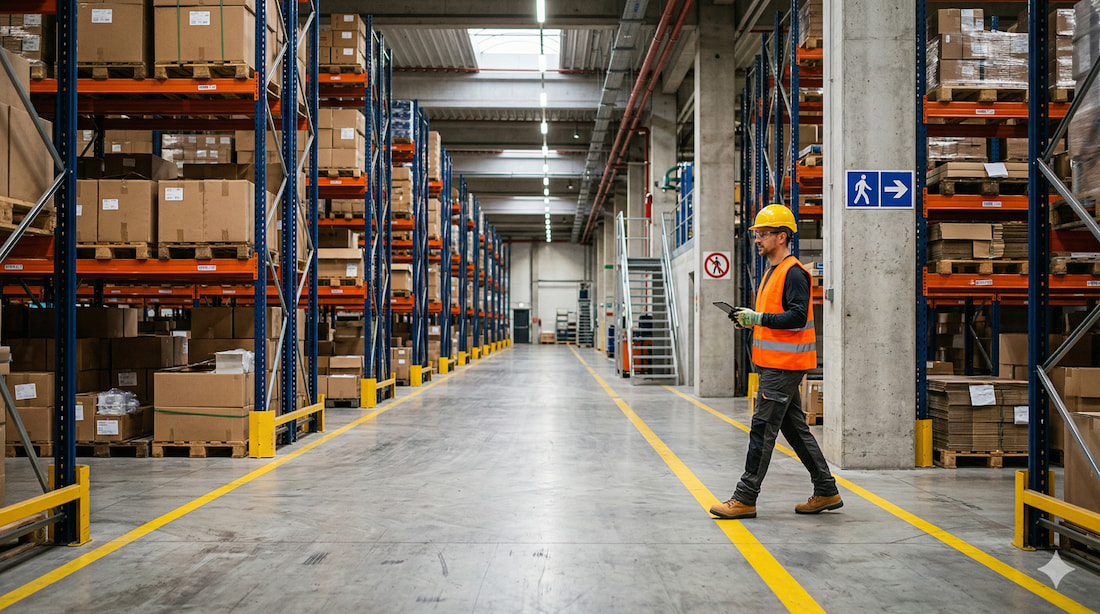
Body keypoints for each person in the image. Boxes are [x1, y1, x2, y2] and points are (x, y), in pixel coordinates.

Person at [709, 204, 842, 520]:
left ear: (781, 237)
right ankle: (826, 489)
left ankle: (745, 497)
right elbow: (774, 317)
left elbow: (796, 317)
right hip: (775, 362)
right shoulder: (772, 271)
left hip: (784, 365)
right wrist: (751, 320)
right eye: (757, 234)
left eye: (763, 234)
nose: (757, 239)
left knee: (762, 428)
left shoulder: (794, 272)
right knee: (794, 429)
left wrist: (758, 317)